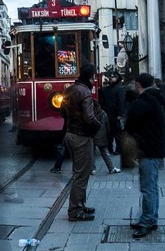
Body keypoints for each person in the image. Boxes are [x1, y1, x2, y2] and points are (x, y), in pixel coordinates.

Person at [124, 73, 165, 238]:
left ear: (137, 84)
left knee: (147, 187)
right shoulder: (154, 98)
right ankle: (150, 218)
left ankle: (147, 221)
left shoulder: (144, 102)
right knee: (152, 186)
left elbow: (130, 124)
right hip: (154, 147)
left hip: (148, 148)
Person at [60, 63, 101, 221]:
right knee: (81, 174)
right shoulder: (85, 92)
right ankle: (75, 210)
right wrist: (98, 126)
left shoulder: (70, 89)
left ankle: (80, 204)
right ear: (91, 76)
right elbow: (89, 118)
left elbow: (62, 111)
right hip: (82, 136)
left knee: (80, 172)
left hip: (70, 134)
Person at [92, 99, 120, 174]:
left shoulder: (90, 115)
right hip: (102, 136)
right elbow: (107, 126)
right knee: (105, 152)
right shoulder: (103, 114)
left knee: (92, 153)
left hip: (92, 136)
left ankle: (92, 169)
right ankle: (111, 168)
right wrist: (109, 137)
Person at [101, 72, 125, 155]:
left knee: (117, 133)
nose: (111, 78)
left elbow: (121, 102)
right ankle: (109, 148)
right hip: (107, 114)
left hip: (115, 115)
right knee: (108, 133)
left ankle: (118, 149)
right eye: (110, 77)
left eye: (113, 77)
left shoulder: (119, 89)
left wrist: (120, 114)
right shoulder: (106, 89)